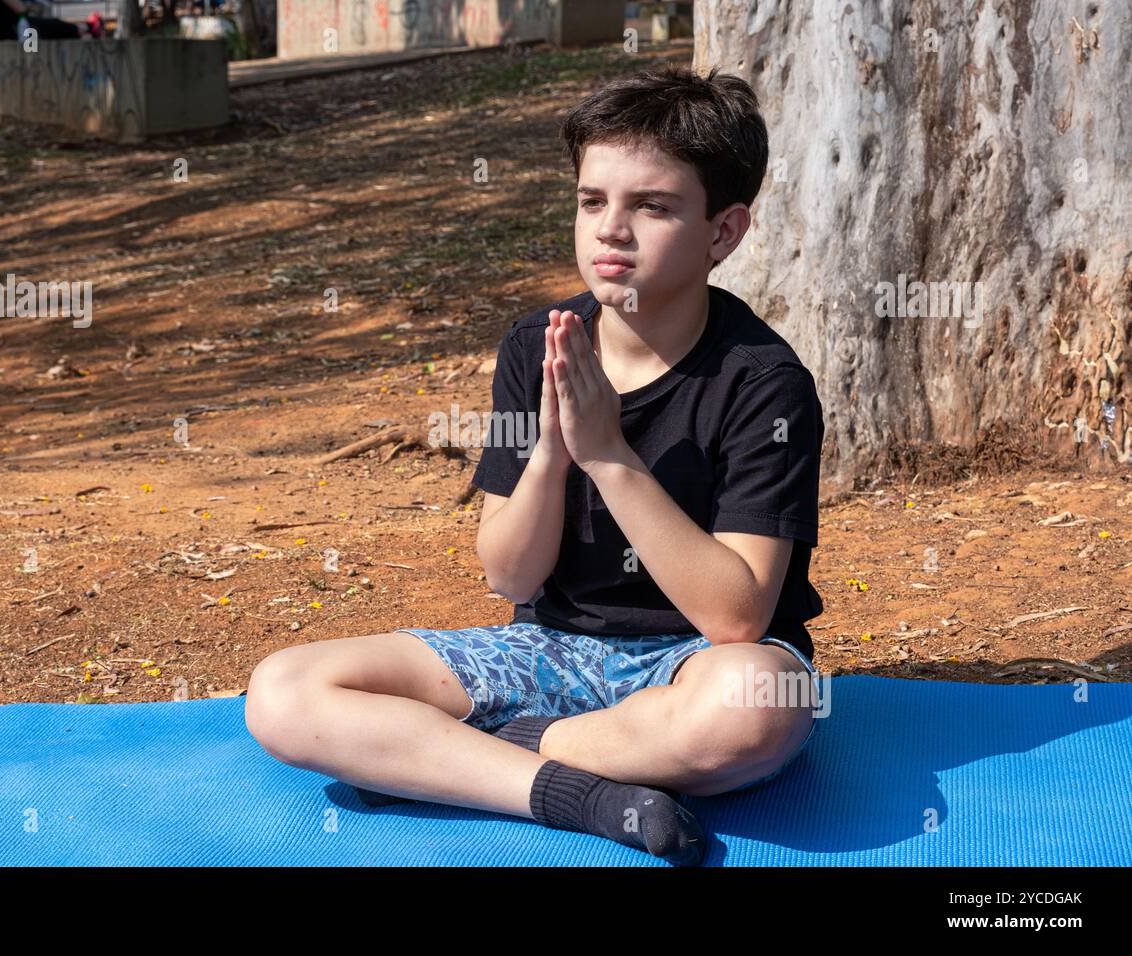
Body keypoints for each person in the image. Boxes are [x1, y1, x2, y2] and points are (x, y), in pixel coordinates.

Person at [245, 65, 826, 867]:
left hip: (699, 663)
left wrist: (608, 455)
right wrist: (553, 449)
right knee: (284, 694)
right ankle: (576, 793)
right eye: (593, 202)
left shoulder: (764, 383)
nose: (611, 231)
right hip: (553, 650)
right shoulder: (537, 347)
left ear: (723, 232)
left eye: (652, 207)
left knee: (759, 708)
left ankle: (464, 756)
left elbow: (736, 618)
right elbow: (512, 580)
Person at [0, 0, 90, 40]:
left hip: (12, 30)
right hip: (15, 31)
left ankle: (86, 28)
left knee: (55, 25)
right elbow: (21, 10)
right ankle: (87, 28)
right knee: (56, 25)